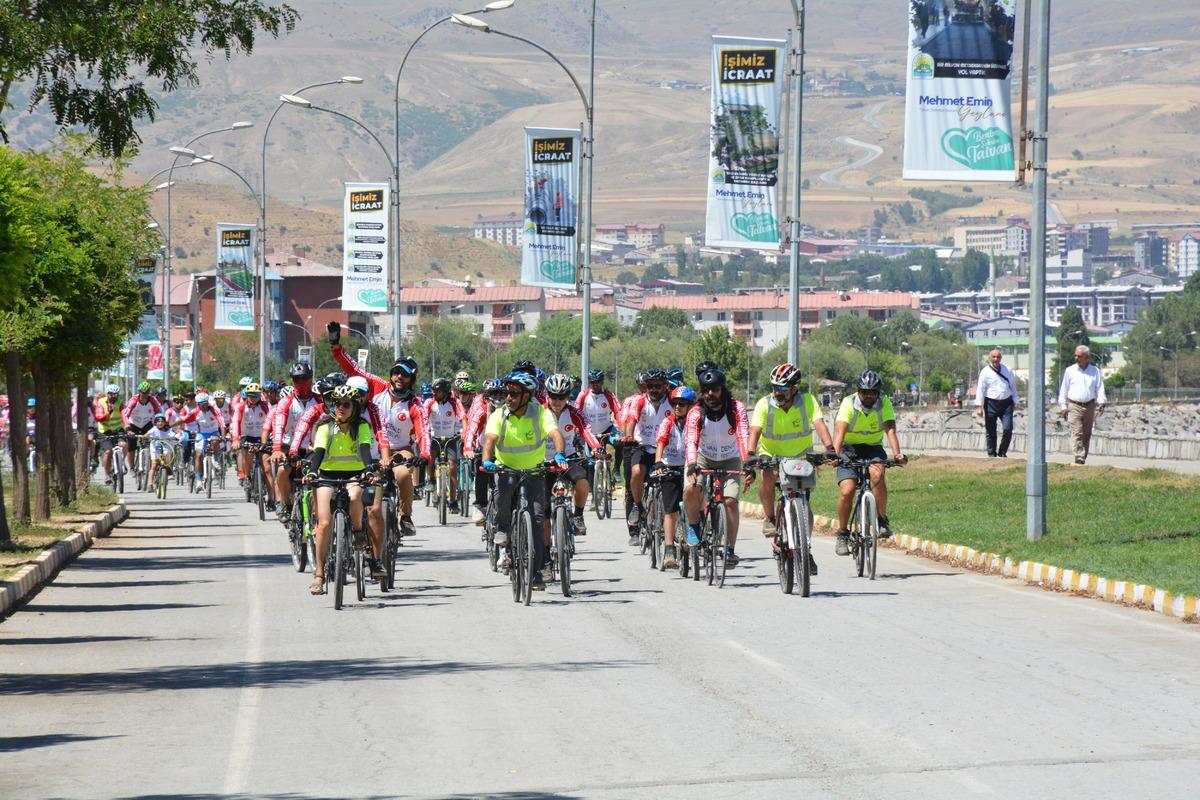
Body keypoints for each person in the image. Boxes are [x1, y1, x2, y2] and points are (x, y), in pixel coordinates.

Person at [327, 322, 430, 536]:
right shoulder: (378, 387)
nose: (400, 378)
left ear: (412, 380)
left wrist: (425, 455)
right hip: (372, 451)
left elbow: (423, 432)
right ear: (391, 374)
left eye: (406, 375)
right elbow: (354, 370)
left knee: (402, 475)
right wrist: (336, 345)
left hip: (401, 451)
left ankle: (406, 517)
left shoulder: (415, 404)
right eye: (396, 373)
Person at [480, 372, 566, 592]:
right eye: (507, 393)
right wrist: (487, 460)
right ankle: (503, 528)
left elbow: (555, 433)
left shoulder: (540, 413)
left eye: (514, 393)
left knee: (537, 521)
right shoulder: (500, 415)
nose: (508, 397)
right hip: (506, 467)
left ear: (527, 396)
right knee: (503, 490)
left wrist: (559, 454)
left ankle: (536, 573)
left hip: (534, 471)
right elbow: (489, 439)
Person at [746, 363, 835, 573]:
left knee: (805, 507)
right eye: (775, 387)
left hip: (800, 457)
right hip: (772, 455)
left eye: (783, 389)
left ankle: (805, 548)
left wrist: (830, 448)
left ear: (794, 389)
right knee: (766, 474)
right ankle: (769, 517)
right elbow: (755, 430)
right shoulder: (764, 404)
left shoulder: (807, 401)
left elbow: (820, 424)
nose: (777, 392)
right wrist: (750, 454)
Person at [304, 384, 382, 595]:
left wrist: (368, 470)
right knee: (324, 524)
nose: (341, 408)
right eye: (337, 403)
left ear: (354, 407)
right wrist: (312, 472)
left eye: (346, 404)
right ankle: (319, 575)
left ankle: (357, 531)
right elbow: (318, 451)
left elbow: (365, 450)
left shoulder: (362, 426)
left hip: (354, 474)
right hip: (327, 475)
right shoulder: (325, 426)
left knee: (356, 494)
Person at [831, 370, 908, 556]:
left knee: (877, 475)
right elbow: (840, 432)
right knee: (847, 490)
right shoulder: (848, 404)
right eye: (864, 392)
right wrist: (834, 454)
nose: (868, 396)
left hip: (873, 447)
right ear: (858, 391)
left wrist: (898, 454)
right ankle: (842, 533)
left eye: (873, 392)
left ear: (878, 393)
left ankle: (882, 520)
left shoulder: (884, 404)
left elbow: (890, 430)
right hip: (849, 449)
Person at [682, 368, 749, 565]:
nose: (710, 394)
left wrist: (748, 463)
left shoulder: (736, 408)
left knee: (730, 501)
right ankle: (694, 527)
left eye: (714, 390)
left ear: (723, 389)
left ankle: (729, 549)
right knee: (691, 489)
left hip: (730, 457)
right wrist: (692, 465)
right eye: (705, 390)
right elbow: (691, 440)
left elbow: (743, 435)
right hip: (702, 457)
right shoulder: (695, 412)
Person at [544, 373, 604, 539]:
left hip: (567, 458)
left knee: (583, 482)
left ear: (568, 397)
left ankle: (578, 515)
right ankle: (547, 556)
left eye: (561, 397)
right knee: (543, 512)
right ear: (547, 395)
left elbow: (586, 431)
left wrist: (596, 447)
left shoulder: (575, 413)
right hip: (542, 461)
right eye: (553, 396)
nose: (557, 401)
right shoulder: (538, 412)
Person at [622, 368, 671, 545]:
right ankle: (637, 505)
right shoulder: (639, 401)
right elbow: (631, 420)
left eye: (658, 386)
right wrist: (628, 436)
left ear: (666, 386)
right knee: (636, 472)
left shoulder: (673, 402)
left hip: (666, 450)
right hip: (642, 446)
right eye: (650, 386)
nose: (654, 390)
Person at [653, 385, 695, 570]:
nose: (677, 406)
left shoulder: (696, 423)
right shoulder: (667, 422)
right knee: (670, 510)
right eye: (675, 403)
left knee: (696, 499)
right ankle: (669, 549)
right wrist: (659, 462)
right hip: (669, 466)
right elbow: (661, 441)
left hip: (690, 467)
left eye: (682, 403)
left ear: (690, 406)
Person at [269, 363, 320, 513]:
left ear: (311, 379)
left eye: (305, 379)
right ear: (292, 382)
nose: (301, 383)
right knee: (282, 472)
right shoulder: (286, 402)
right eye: (297, 380)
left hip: (312, 447)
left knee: (318, 478)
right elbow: (278, 426)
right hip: (288, 445)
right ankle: (286, 504)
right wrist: (277, 449)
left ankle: (317, 513)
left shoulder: (320, 400)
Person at [463, 378, 505, 525]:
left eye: (502, 394)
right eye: (495, 394)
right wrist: (468, 448)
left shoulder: (510, 410)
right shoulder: (482, 409)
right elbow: (471, 429)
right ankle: (480, 505)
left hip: (505, 451)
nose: (499, 398)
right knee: (481, 473)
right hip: (484, 448)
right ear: (487, 396)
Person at [423, 377, 467, 513]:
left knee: (453, 467)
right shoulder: (429, 402)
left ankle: (453, 501)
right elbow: (423, 418)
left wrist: (465, 431)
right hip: (434, 437)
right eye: (434, 391)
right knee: (430, 458)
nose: (434, 394)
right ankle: (430, 479)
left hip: (450, 438)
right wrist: (424, 434)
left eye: (438, 391)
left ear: (445, 392)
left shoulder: (455, 402)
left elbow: (463, 418)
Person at [575, 368, 622, 491]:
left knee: (620, 443)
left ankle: (616, 469)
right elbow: (575, 412)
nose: (595, 385)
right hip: (591, 434)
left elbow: (618, 412)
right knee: (590, 463)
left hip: (607, 429)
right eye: (592, 382)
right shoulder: (583, 395)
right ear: (589, 383)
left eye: (598, 382)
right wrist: (576, 431)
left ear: (602, 382)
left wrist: (622, 428)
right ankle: (593, 493)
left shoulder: (609, 395)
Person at [1057, 344, 1106, 465]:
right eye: (1075, 355)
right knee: (1077, 431)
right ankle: (1079, 456)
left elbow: (1099, 388)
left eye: (1079, 356)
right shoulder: (1070, 371)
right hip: (1074, 405)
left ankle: (1083, 457)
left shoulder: (1095, 371)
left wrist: (1101, 403)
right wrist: (1063, 407)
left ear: (1086, 358)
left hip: (1089, 405)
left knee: (1086, 433)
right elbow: (1064, 389)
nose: (1076, 358)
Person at [975, 348, 1019, 458]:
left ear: (1001, 358)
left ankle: (1002, 452)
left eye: (998, 357)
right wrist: (979, 406)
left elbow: (1013, 387)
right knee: (991, 430)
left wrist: (1015, 401)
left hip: (1006, 403)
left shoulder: (1008, 370)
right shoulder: (985, 372)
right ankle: (991, 453)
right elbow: (980, 389)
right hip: (991, 403)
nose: (996, 359)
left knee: (1008, 428)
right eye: (994, 357)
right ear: (990, 358)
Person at [185, 391, 227, 486]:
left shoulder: (214, 410)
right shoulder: (195, 412)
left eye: (205, 404)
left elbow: (222, 423)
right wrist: (170, 425)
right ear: (197, 404)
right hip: (201, 434)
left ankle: (216, 460)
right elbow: (184, 420)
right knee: (199, 455)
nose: (203, 406)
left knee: (215, 440)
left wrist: (223, 436)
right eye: (201, 404)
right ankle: (199, 479)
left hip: (213, 432)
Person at [231, 383, 270, 484]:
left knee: (264, 460)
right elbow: (236, 422)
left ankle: (265, 481)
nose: (253, 398)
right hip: (247, 435)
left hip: (262, 436)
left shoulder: (265, 406)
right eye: (251, 395)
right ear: (247, 395)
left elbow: (272, 421)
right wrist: (236, 438)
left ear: (259, 396)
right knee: (248, 454)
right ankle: (247, 476)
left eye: (256, 395)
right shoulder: (241, 407)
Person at [121, 381, 162, 470]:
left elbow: (159, 413)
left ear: (149, 392)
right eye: (142, 393)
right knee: (131, 447)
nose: (144, 395)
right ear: (139, 392)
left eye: (146, 393)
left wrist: (160, 425)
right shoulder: (133, 400)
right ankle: (132, 467)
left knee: (152, 443)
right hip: (133, 424)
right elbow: (125, 414)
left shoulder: (152, 400)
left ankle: (152, 464)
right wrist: (127, 428)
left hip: (147, 424)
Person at [94, 384, 125, 484]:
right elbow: (98, 417)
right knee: (108, 452)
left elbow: (124, 416)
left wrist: (128, 426)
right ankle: (107, 475)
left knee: (124, 445)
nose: (113, 396)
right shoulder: (101, 402)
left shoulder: (120, 403)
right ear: (107, 394)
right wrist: (108, 412)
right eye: (111, 394)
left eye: (115, 394)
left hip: (117, 429)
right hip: (104, 431)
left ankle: (121, 464)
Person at [145, 412, 180, 491]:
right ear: (155, 422)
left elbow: (173, 435)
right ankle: (150, 483)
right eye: (158, 421)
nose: (160, 423)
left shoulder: (169, 430)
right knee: (154, 465)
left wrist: (176, 437)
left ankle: (168, 470)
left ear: (165, 422)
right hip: (155, 447)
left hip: (166, 446)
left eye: (162, 421)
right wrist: (146, 436)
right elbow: (148, 434)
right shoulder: (154, 429)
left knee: (167, 456)